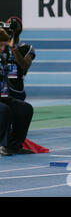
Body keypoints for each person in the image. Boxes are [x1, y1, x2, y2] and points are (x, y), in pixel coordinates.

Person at [0, 18, 34, 156]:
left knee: (25, 109)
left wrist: (13, 46)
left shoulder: (24, 48)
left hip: (6, 94)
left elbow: (24, 67)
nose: (3, 49)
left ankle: (14, 145)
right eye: (1, 45)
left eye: (4, 45)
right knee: (4, 111)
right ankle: (2, 144)